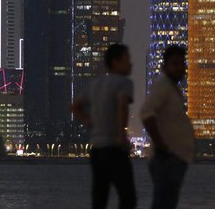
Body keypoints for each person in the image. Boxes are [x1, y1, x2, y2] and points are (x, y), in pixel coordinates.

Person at [72, 43, 136, 209]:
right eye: (127, 59)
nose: (131, 64)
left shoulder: (95, 84)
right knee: (128, 197)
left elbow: (75, 106)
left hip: (96, 149)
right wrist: (122, 135)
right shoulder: (124, 83)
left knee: (100, 197)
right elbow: (122, 105)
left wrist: (88, 121)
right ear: (115, 61)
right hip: (114, 147)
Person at [140, 45, 195, 209]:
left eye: (182, 63)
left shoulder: (171, 88)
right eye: (175, 63)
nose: (180, 68)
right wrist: (161, 146)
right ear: (164, 66)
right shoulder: (163, 86)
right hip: (167, 160)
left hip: (173, 159)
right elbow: (146, 114)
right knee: (163, 204)